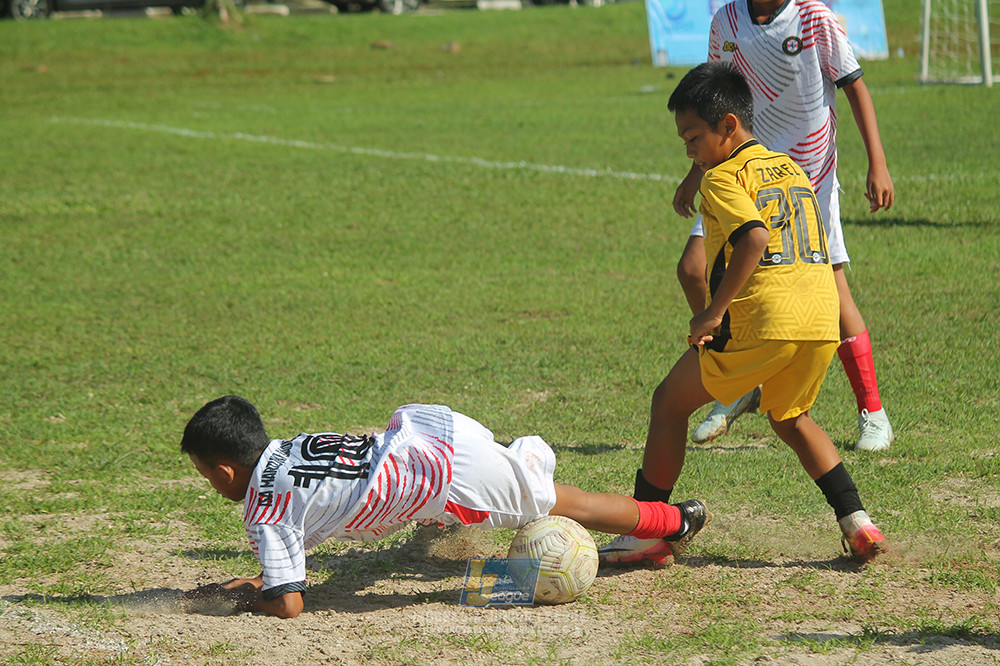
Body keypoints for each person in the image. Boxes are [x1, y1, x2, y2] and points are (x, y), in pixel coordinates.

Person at [599, 62, 886, 567]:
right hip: (821, 319)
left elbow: (754, 237)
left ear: (728, 126)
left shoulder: (723, 178)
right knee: (791, 417)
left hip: (765, 318)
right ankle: (858, 523)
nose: (687, 149)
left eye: (692, 137)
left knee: (668, 402)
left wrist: (713, 311)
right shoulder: (789, 167)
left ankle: (647, 530)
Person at [181, 395, 711, 618]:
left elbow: (290, 603)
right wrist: (258, 581)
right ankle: (498, 486)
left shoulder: (264, 508)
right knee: (478, 505)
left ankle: (671, 525)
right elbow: (309, 527)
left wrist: (248, 597)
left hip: (446, 474)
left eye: (207, 476)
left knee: (574, 504)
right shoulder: (287, 447)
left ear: (226, 472)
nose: (211, 485)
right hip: (427, 429)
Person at [675, 0, 895, 451]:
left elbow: (855, 87)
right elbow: (712, 107)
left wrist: (878, 162)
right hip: (737, 169)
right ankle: (738, 380)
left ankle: (872, 412)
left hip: (805, 179)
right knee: (693, 269)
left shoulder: (815, 18)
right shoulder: (727, 22)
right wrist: (696, 172)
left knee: (834, 292)